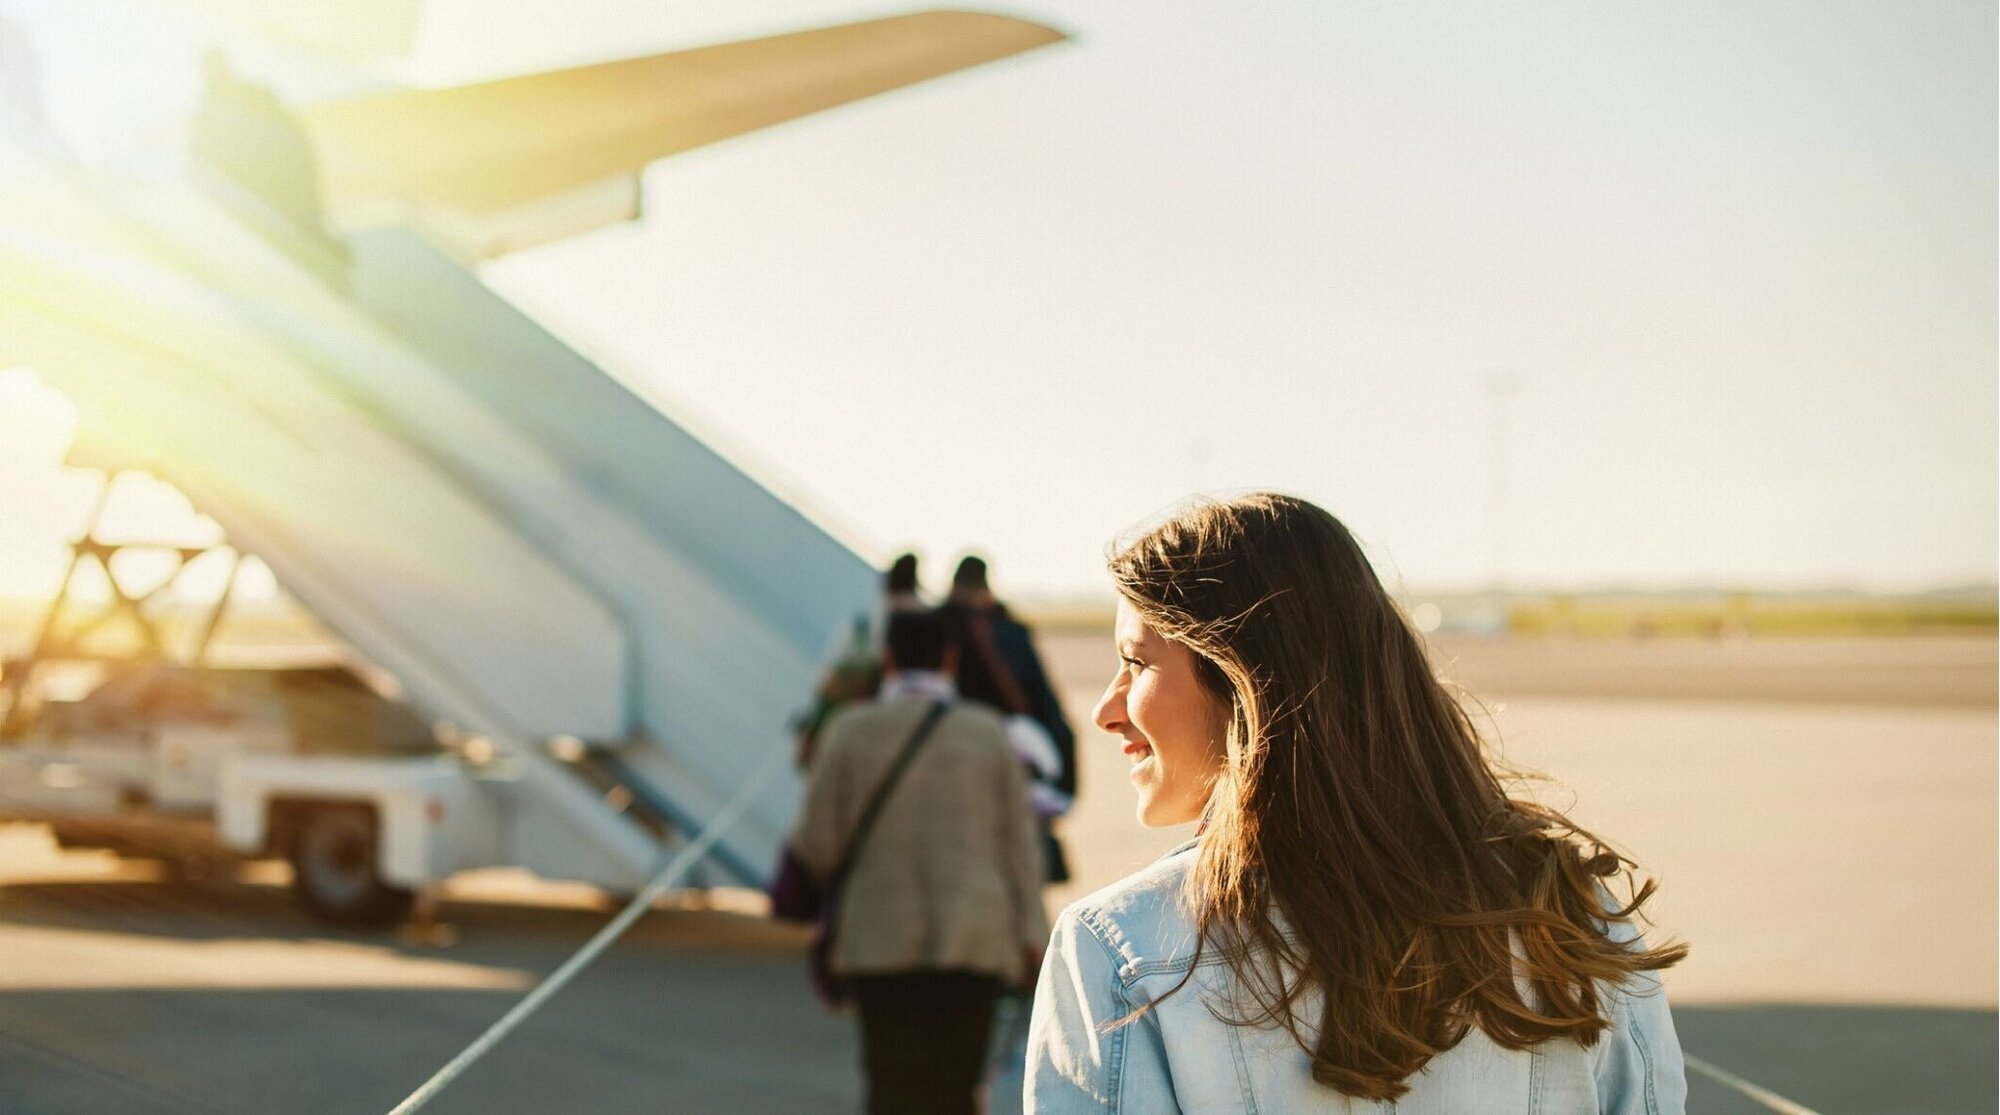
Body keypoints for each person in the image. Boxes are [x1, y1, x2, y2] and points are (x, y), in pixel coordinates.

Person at [1025, 493, 1689, 1113]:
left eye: (1136, 662)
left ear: (1244, 675)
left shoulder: (1123, 952)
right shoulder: (1574, 915)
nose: (1105, 708)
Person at [790, 609, 1048, 1115]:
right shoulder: (988, 733)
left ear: (887, 660)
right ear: (949, 659)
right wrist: (1032, 935)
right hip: (975, 935)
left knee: (891, 1086)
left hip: (880, 940)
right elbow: (1020, 847)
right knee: (954, 1089)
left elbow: (817, 844)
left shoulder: (850, 732)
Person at [795, 553, 928, 768]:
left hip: (839, 732)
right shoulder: (923, 629)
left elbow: (824, 681)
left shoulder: (860, 627)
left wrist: (811, 729)